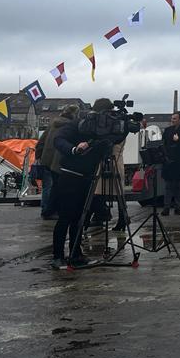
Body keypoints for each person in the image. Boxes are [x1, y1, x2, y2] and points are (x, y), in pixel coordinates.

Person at [50, 98, 120, 268]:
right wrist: (74, 149)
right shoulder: (79, 124)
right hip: (70, 176)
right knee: (66, 217)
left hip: (88, 177)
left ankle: (76, 254)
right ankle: (58, 256)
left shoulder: (104, 130)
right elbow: (58, 139)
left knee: (80, 218)